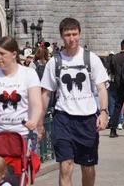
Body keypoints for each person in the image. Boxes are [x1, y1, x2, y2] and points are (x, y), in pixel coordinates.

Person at [38, 18, 109, 186]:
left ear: (80, 34)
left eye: (74, 34)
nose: (72, 38)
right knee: (66, 164)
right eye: (68, 34)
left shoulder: (91, 59)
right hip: (64, 118)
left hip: (87, 119)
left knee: (88, 167)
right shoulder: (54, 62)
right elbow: (46, 93)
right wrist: (40, 121)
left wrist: (104, 112)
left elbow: (101, 89)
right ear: (62, 36)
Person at [0, 36, 42, 145]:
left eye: (2, 54)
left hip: (22, 133)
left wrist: (34, 121)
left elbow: (36, 103)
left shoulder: (29, 74)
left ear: (14, 54)